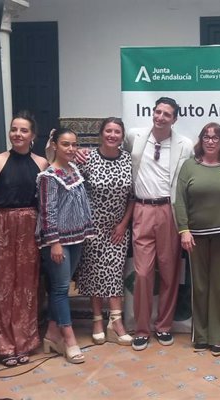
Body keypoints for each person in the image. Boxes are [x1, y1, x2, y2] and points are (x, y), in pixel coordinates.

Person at [126, 97, 193, 351]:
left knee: (169, 272)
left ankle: (164, 326)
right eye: (157, 112)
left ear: (174, 119)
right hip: (142, 209)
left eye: (167, 114)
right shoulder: (135, 136)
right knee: (142, 274)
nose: (160, 117)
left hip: (169, 211)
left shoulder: (185, 145)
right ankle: (141, 329)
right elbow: (114, 150)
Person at [0, 110, 49, 366]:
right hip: (0, 226)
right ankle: (2, 346)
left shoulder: (42, 162)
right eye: (14, 129)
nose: (18, 134)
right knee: (0, 286)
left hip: (29, 226)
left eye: (24, 130)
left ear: (32, 135)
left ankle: (23, 343)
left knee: (26, 286)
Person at [174, 122, 220, 357]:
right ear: (201, 140)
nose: (211, 141)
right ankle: (200, 335)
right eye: (207, 137)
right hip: (195, 238)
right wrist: (183, 230)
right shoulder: (189, 166)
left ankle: (218, 337)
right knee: (200, 287)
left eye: (216, 137)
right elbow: (179, 199)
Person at [37, 127, 95, 364]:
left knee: (61, 287)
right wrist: (54, 243)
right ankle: (69, 339)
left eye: (74, 144)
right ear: (55, 146)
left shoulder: (74, 170)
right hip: (58, 241)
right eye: (65, 144)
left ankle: (51, 334)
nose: (71, 149)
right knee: (61, 289)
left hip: (76, 238)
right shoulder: (49, 176)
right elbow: (47, 210)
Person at [75, 117, 134, 346]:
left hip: (118, 228)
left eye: (117, 131)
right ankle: (98, 321)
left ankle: (116, 322)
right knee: (94, 274)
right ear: (101, 134)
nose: (112, 135)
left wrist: (123, 224)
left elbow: (132, 196)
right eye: (108, 131)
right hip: (92, 227)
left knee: (114, 273)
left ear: (122, 136)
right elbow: (71, 185)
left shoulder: (128, 160)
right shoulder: (88, 158)